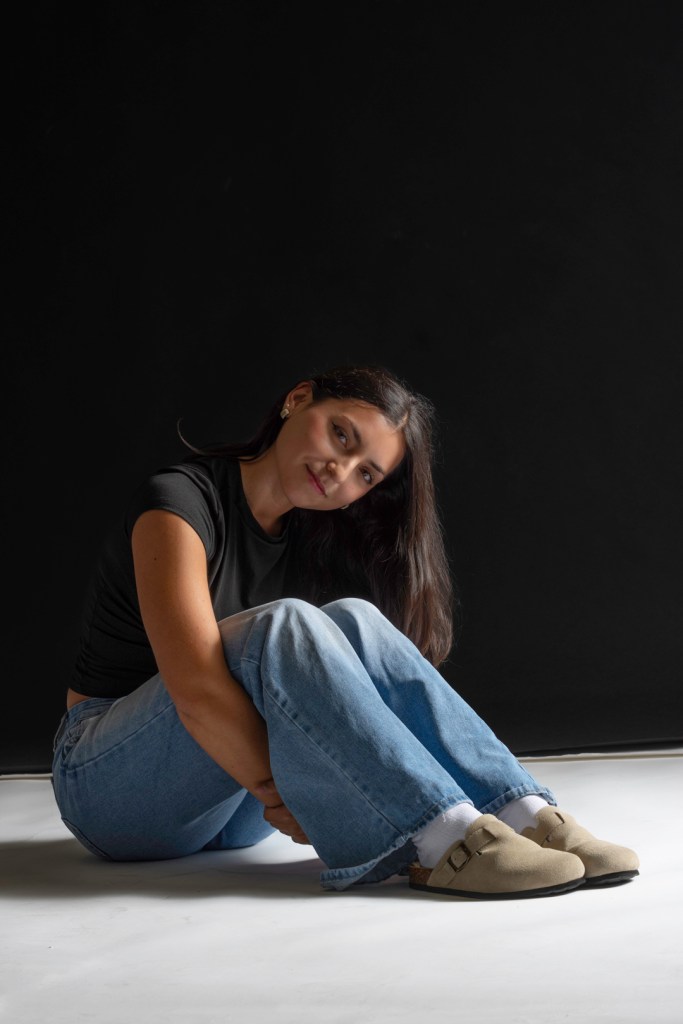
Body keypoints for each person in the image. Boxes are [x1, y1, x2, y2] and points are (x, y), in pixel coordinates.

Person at [52, 364, 639, 899]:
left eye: (365, 474)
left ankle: (523, 813)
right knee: (286, 623)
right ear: (297, 400)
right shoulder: (178, 504)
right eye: (340, 435)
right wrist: (278, 792)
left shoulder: (307, 540)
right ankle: (444, 841)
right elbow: (195, 690)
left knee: (353, 617)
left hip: (227, 809)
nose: (339, 473)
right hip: (111, 790)